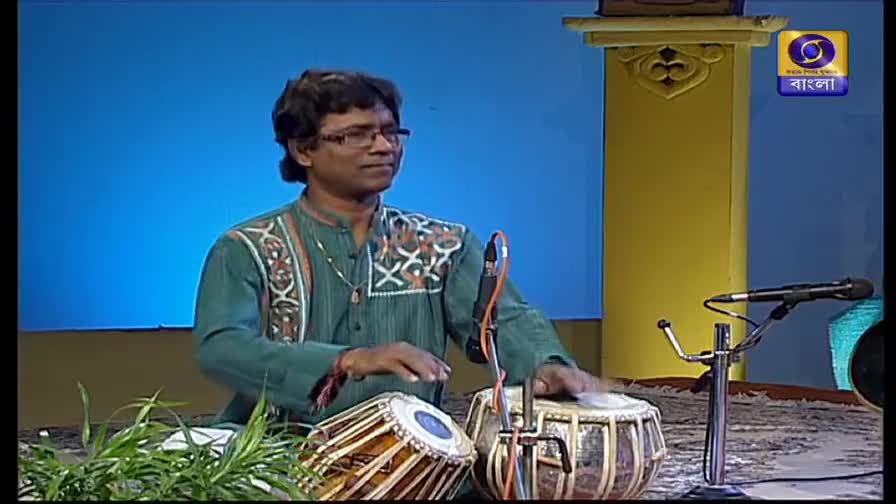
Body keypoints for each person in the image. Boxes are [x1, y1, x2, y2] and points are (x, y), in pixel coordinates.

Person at [192, 68, 601, 436]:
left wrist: (546, 363)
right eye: (357, 135)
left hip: (413, 460)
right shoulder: (248, 247)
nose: (383, 146)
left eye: (391, 132)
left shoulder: (442, 244)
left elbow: (501, 320)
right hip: (281, 460)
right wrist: (347, 361)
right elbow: (222, 347)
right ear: (303, 150)